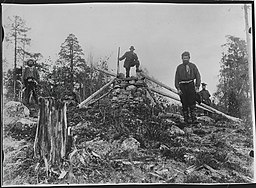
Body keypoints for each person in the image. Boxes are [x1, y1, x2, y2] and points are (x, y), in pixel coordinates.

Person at [175, 51, 201, 124]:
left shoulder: (193, 66)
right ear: (182, 59)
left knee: (192, 102)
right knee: (184, 103)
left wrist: (197, 86)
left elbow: (198, 76)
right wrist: (178, 88)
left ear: (189, 58)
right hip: (182, 86)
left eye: (186, 58)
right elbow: (176, 78)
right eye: (184, 58)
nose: (185, 59)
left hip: (190, 85)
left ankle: (194, 119)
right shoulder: (179, 67)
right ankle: (186, 120)